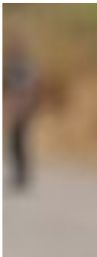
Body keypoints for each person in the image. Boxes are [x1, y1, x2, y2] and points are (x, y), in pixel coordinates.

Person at [3, 38, 38, 189]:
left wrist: (23, 108)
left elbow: (28, 89)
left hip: (23, 109)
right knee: (14, 143)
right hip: (15, 108)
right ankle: (18, 174)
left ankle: (22, 174)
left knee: (19, 142)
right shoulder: (12, 66)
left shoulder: (24, 67)